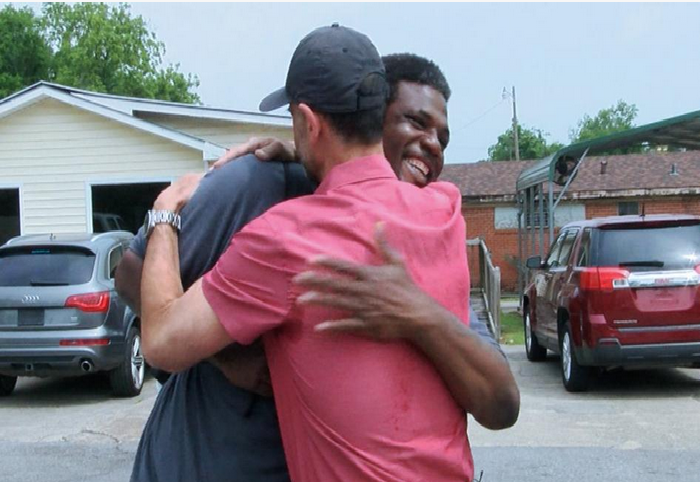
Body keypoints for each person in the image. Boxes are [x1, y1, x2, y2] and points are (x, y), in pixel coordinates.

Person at [118, 50, 518, 482]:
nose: (433, 146)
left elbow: (500, 401)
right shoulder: (258, 187)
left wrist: (417, 314)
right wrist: (230, 354)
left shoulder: (431, 226)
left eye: (443, 137)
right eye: (415, 123)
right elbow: (130, 275)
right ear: (367, 118)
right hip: (200, 462)